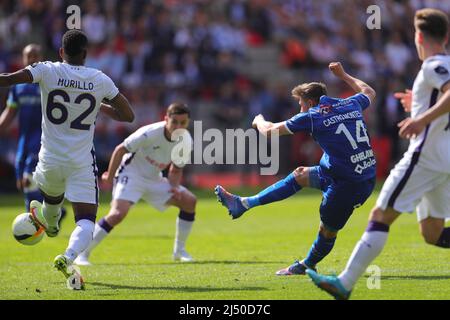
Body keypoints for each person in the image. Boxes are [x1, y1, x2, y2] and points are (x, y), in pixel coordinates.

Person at [307, 8, 450, 300]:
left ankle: (344, 283)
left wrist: (421, 119)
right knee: (432, 232)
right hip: (444, 159)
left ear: (419, 35)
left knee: (380, 215)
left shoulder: (433, 65)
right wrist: (421, 106)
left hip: (425, 157)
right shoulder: (444, 64)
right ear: (446, 36)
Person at [0, 29, 134, 289]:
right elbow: (127, 115)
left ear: (61, 52)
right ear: (86, 54)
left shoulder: (47, 70)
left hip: (49, 160)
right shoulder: (99, 79)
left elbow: (8, 79)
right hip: (81, 163)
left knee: (52, 202)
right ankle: (68, 256)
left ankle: (49, 224)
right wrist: (98, 104)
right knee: (85, 220)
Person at [215, 61, 377, 276]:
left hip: (350, 184)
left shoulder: (312, 115)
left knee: (327, 230)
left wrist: (258, 120)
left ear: (309, 102)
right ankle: (243, 204)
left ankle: (307, 265)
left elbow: (270, 131)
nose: (299, 109)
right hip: (352, 171)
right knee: (300, 175)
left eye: (300, 104)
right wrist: (344, 74)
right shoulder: (350, 103)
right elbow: (369, 91)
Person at [74, 102, 196, 266]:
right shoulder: (149, 133)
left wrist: (174, 188)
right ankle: (82, 253)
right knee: (118, 214)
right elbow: (120, 149)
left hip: (154, 179)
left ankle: (179, 251)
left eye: (183, 123)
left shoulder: (185, 140)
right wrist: (109, 177)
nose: (178, 126)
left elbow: (175, 169)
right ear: (166, 119)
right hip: (130, 175)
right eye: (175, 122)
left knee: (189, 201)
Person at [0, 44, 67, 223]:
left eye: (35, 55)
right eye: (28, 56)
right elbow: (10, 112)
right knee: (22, 183)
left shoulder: (49, 82)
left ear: (42, 57)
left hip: (43, 140)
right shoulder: (18, 87)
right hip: (24, 140)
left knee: (29, 178)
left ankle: (34, 222)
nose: (31, 59)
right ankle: (55, 210)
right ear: (23, 59)